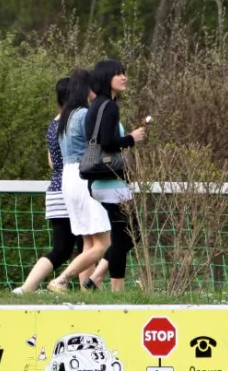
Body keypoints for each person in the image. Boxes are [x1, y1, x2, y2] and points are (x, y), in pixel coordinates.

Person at [12, 77, 87, 295]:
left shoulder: (53, 124)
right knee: (86, 243)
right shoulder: (74, 122)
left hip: (54, 190)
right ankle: (87, 290)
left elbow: (52, 162)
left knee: (61, 249)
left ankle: (26, 288)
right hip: (71, 188)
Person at [82, 59, 145, 291]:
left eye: (124, 73)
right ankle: (97, 278)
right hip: (110, 182)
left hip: (100, 181)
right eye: (118, 74)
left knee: (122, 235)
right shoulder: (109, 106)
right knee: (130, 235)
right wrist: (131, 138)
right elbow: (107, 142)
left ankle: (114, 289)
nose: (124, 77)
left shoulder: (96, 106)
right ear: (106, 78)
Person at [46, 68, 112, 293]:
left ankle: (88, 292)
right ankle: (62, 279)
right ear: (86, 88)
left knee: (88, 241)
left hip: (69, 178)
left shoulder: (67, 116)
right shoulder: (85, 114)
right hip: (85, 178)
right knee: (104, 243)